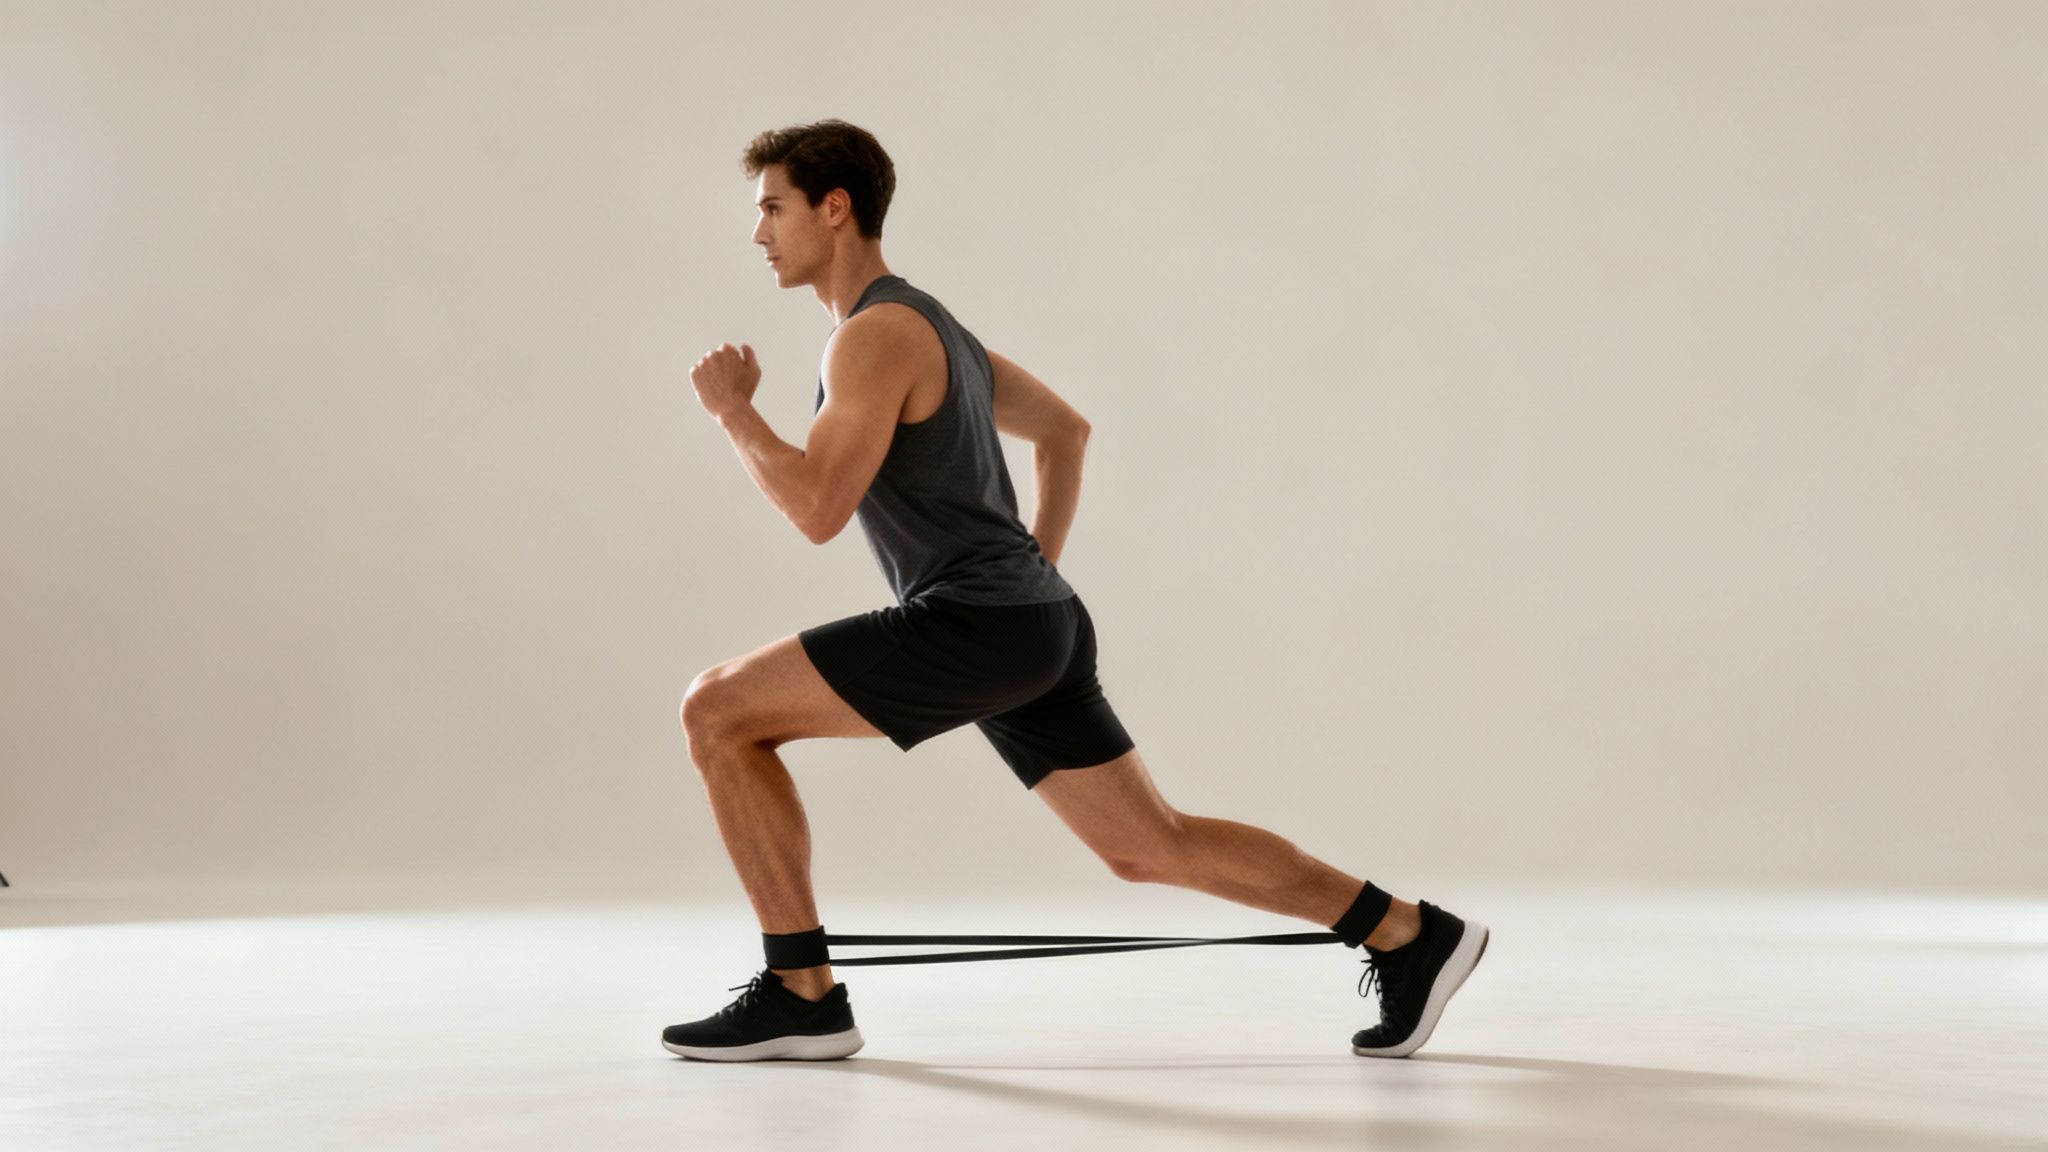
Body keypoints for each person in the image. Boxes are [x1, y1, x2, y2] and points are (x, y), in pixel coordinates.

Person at [662, 119, 1487, 1062]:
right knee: (1150, 844)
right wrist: (1034, 574)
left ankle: (801, 995)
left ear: (834, 208)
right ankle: (1410, 934)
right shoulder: (935, 327)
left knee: (717, 710)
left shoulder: (872, 338)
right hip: (1031, 623)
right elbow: (1066, 431)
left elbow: (816, 507)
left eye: (773, 208)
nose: (759, 232)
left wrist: (733, 413)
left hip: (976, 623)